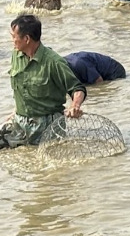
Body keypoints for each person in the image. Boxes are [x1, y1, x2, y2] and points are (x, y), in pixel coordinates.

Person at [1, 15, 86, 148]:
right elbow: (22, 87)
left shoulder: (54, 62)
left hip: (47, 126)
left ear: (27, 39)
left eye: (14, 37)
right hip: (20, 121)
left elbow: (77, 88)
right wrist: (17, 110)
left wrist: (75, 106)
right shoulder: (16, 55)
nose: (12, 40)